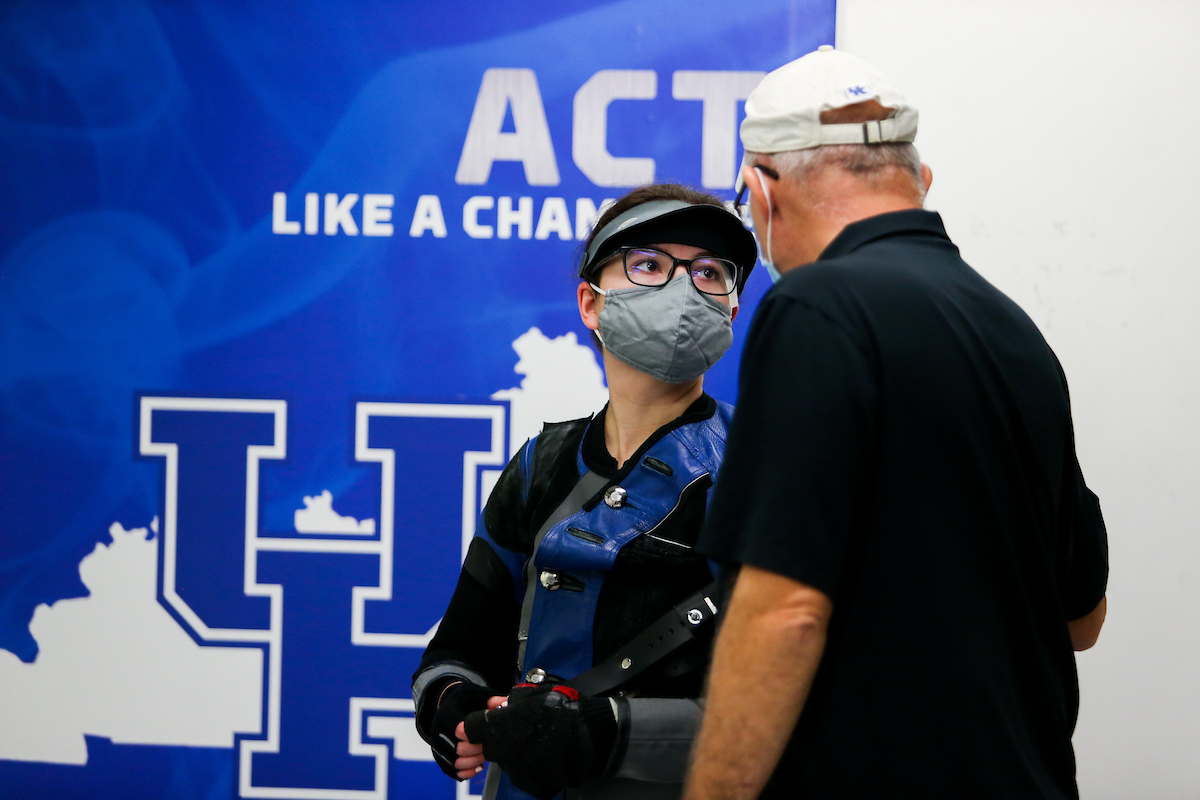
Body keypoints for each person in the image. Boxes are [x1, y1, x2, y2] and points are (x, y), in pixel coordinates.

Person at [683, 46, 1109, 800]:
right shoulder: (1015, 334)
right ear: (919, 182)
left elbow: (783, 610)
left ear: (760, 191)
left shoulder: (817, 310)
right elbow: (1083, 616)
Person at [412, 183, 758, 800]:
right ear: (590, 303)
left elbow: (786, 704)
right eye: (648, 264)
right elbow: (458, 649)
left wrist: (610, 731)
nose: (683, 289)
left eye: (709, 272)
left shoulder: (760, 469)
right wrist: (449, 703)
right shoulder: (538, 465)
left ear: (730, 311)